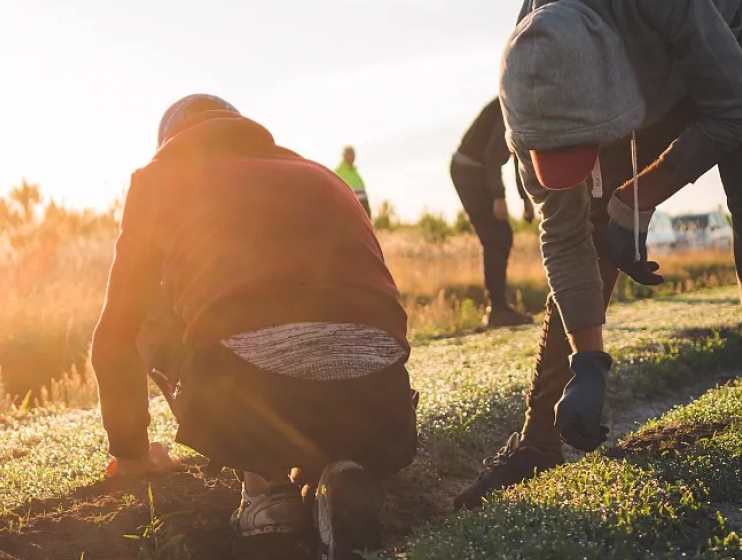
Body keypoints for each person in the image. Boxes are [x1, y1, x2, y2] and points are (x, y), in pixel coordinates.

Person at [455, 0, 742, 509]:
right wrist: (587, 363)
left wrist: (636, 197)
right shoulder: (532, 69)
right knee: (594, 216)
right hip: (638, 49)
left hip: (737, 23)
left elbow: (737, 110)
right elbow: (565, 235)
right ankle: (538, 439)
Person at [92, 94, 417, 558]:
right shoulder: (322, 175)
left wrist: (130, 453)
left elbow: (117, 334)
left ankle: (266, 491)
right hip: (383, 407)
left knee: (148, 314)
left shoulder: (159, 179)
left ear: (169, 141)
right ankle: (339, 468)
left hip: (252, 400)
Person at [450, 98, 536, 327]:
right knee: (495, 237)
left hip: (477, 171)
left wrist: (525, 198)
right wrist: (499, 196)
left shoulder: (522, 105)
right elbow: (492, 156)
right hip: (469, 171)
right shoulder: (511, 103)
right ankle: (497, 309)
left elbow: (520, 154)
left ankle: (498, 307)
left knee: (501, 237)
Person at [334, 146, 373, 218]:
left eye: (352, 154)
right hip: (346, 216)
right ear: (344, 156)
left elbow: (363, 196)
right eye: (349, 154)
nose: (351, 157)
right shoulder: (336, 173)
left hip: (360, 216)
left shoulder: (356, 174)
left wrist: (368, 214)